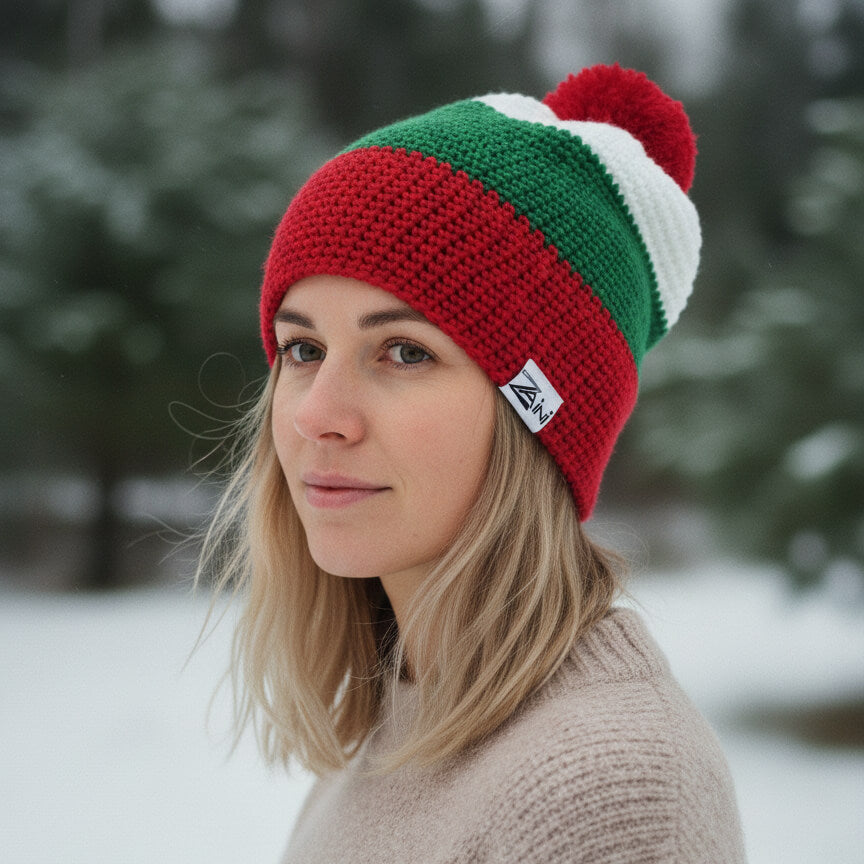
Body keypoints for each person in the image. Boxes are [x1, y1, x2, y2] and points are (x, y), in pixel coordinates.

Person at [199, 63, 747, 862]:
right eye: (303, 347)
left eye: (404, 352)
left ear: (537, 415)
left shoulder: (603, 795)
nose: (317, 414)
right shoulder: (401, 716)